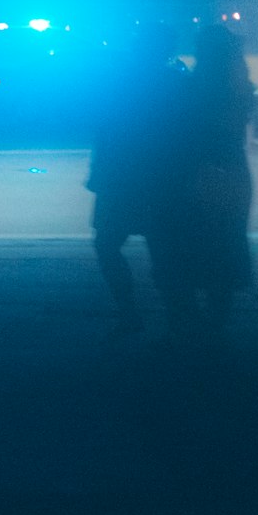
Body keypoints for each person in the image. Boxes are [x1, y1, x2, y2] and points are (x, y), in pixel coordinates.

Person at [151, 24, 255, 340]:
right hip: (233, 171)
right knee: (224, 245)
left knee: (188, 246)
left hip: (203, 172)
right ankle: (215, 322)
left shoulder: (199, 87)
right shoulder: (239, 86)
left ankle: (189, 322)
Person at [86, 31, 175, 338]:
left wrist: (98, 171)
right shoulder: (174, 83)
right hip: (158, 178)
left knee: (107, 244)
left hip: (122, 175)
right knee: (162, 249)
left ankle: (130, 312)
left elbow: (105, 129)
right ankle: (176, 317)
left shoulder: (121, 82)